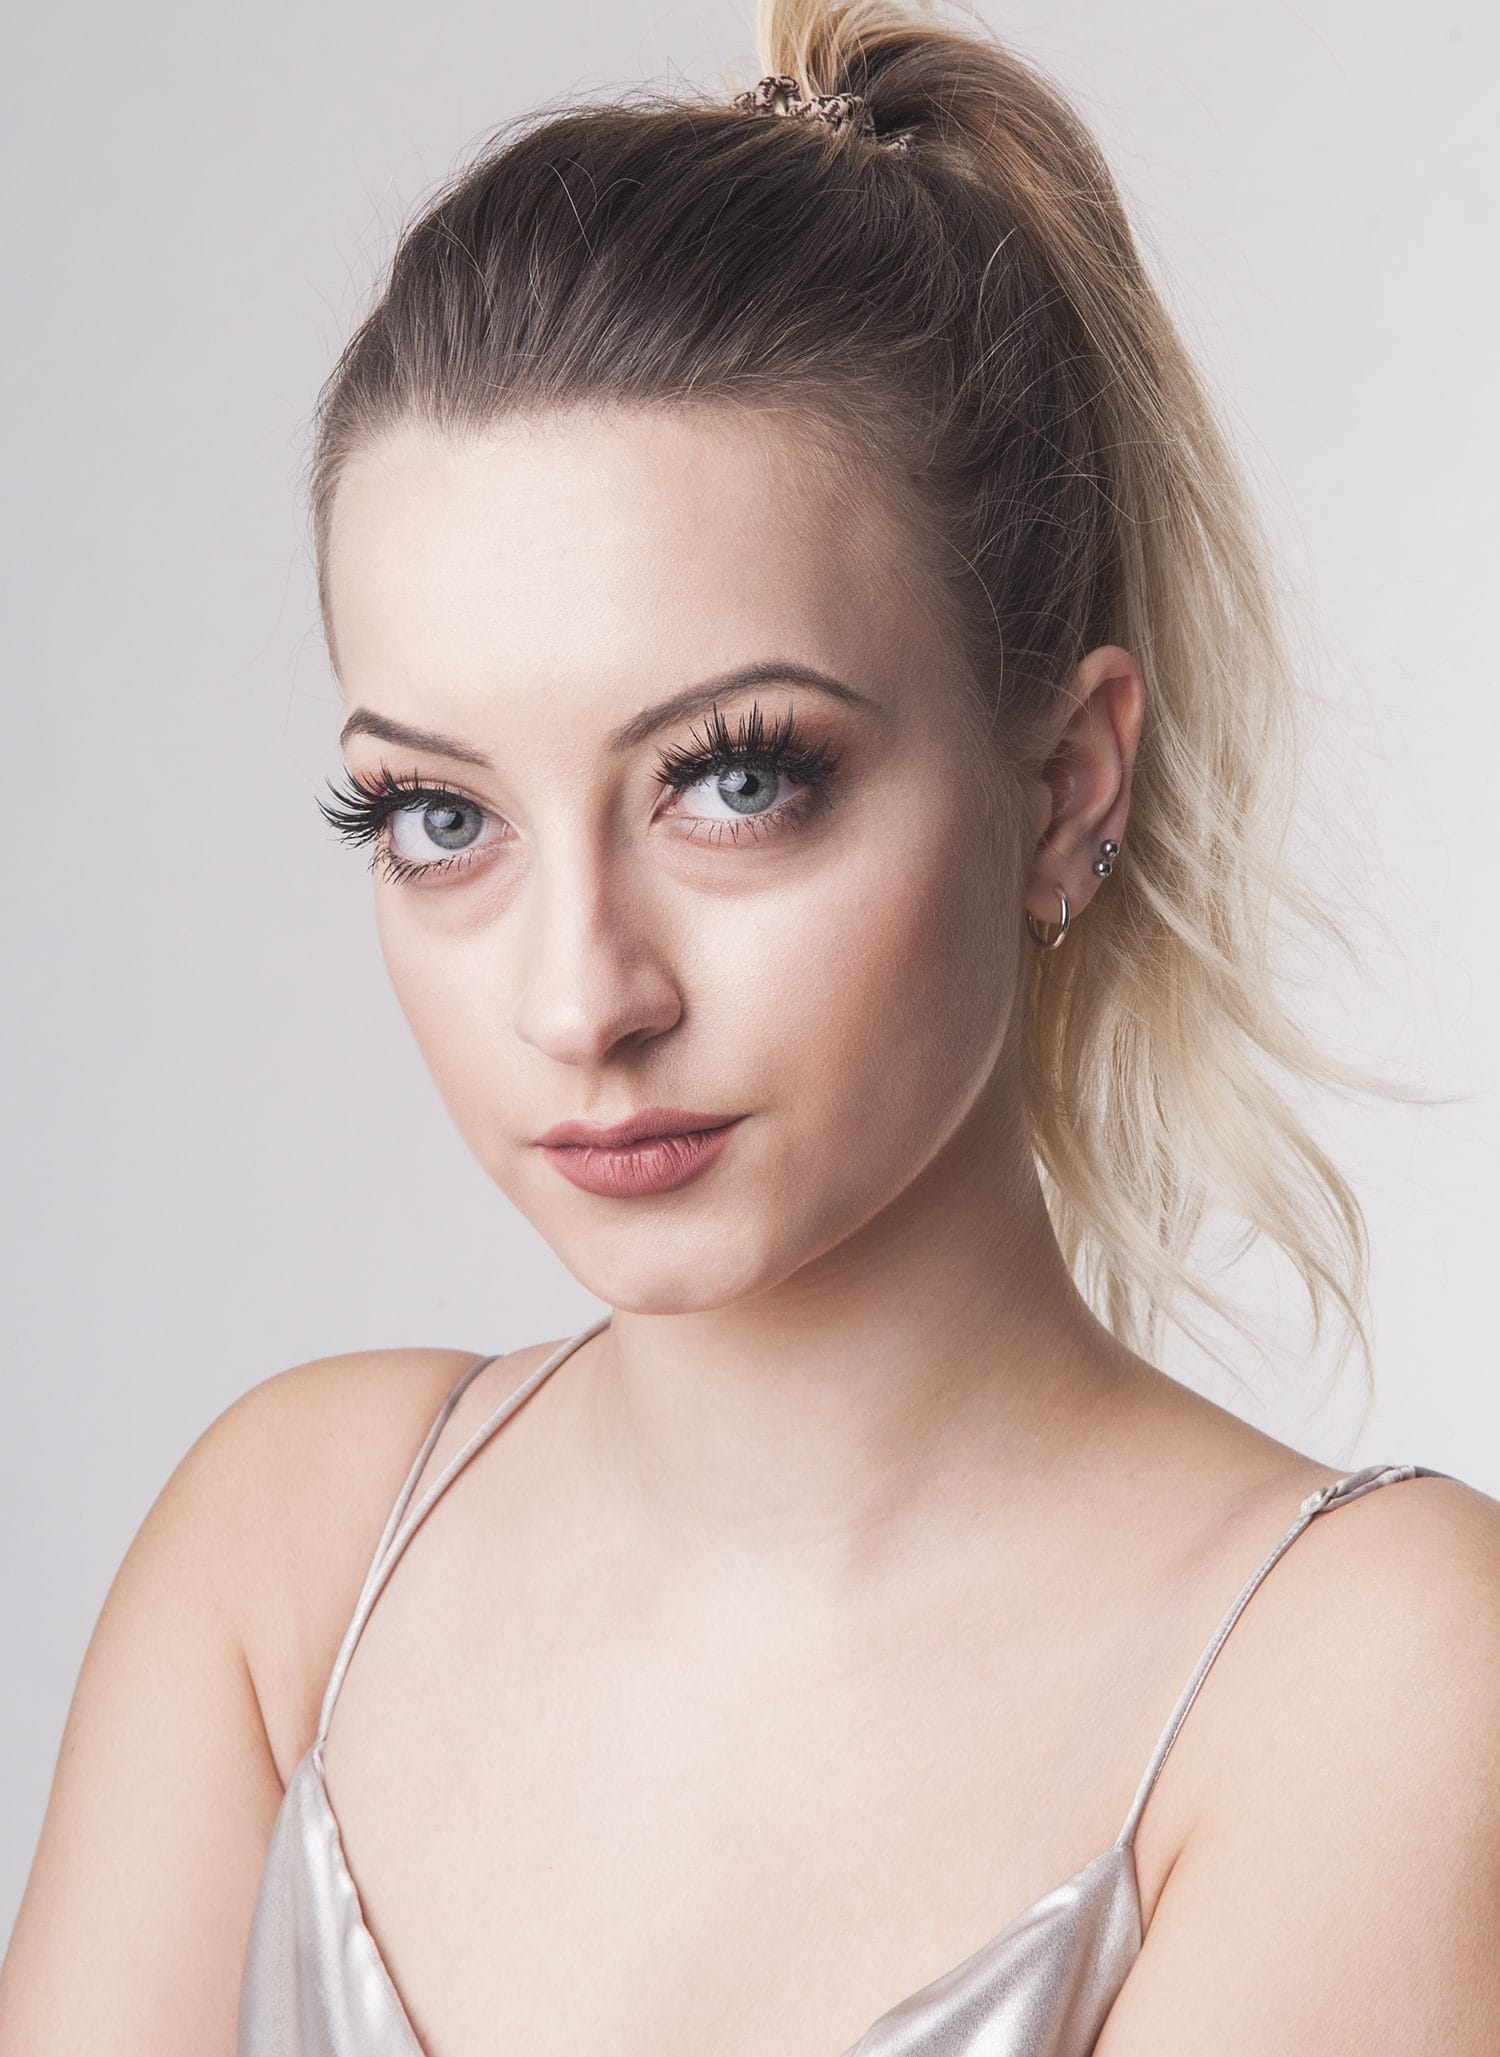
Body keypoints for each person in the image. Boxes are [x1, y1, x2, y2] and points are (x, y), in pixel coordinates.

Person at [3, 0, 1496, 2051]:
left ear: (1064, 783)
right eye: (439, 816)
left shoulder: (1370, 1677)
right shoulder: (293, 1557)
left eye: (735, 779)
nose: (578, 997)